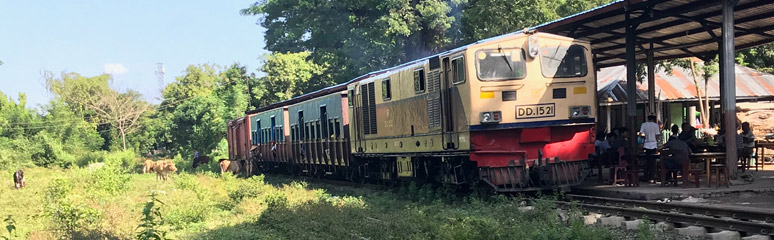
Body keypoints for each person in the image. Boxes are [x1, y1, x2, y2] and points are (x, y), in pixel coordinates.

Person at [640, 115, 660, 182]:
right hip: (653, 144)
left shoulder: (644, 124)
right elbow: (657, 135)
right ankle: (652, 176)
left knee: (647, 161)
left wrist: (644, 138)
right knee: (653, 162)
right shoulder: (656, 125)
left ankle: (647, 176)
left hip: (646, 144)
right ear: (654, 119)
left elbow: (641, 134)